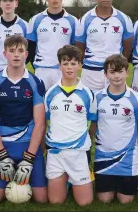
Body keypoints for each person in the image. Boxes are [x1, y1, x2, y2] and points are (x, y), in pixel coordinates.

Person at [0, 35, 48, 203]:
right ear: (5, 54)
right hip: (3, 145)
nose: (16, 55)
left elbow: (40, 123)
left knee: (42, 199)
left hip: (28, 144)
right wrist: (2, 156)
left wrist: (29, 159)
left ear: (27, 54)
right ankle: (8, 174)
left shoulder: (35, 82)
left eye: (20, 51)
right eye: (12, 51)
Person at [90, 54, 138, 204]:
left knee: (125, 201)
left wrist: (133, 143)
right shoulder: (98, 98)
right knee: (104, 199)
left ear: (127, 73)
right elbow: (94, 125)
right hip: (104, 157)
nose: (116, 76)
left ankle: (128, 183)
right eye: (112, 72)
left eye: (120, 71)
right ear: (106, 74)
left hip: (127, 158)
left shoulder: (136, 98)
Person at [43, 45, 95, 206]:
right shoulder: (51, 93)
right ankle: (65, 179)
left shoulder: (87, 93)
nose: (69, 67)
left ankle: (81, 177)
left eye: (73, 63)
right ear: (59, 66)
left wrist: (87, 143)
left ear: (80, 66)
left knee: (85, 202)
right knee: (55, 201)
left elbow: (93, 122)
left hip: (78, 153)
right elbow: (44, 122)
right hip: (56, 153)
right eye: (65, 63)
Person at [75, 0, 134, 92]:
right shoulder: (85, 19)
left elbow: (128, 45)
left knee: (115, 106)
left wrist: (118, 64)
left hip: (115, 71)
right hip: (91, 73)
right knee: (89, 106)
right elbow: (79, 47)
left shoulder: (124, 19)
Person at [27, 0, 81, 89]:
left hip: (63, 70)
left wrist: (68, 66)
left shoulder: (73, 21)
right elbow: (30, 46)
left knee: (61, 103)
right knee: (40, 105)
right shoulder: (35, 20)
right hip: (41, 70)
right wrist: (36, 66)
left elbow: (76, 48)